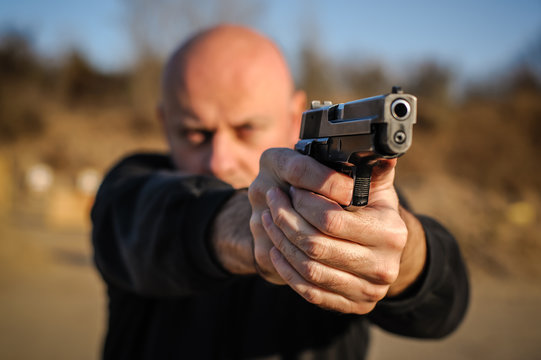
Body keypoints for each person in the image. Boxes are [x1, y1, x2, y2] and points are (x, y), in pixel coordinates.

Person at [91, 24, 469, 359]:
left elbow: (444, 304)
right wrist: (255, 224)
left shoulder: (356, 196)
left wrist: (400, 255)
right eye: (195, 133)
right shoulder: (130, 186)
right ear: (164, 122)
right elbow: (151, 219)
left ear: (294, 119)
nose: (220, 160)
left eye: (247, 129)